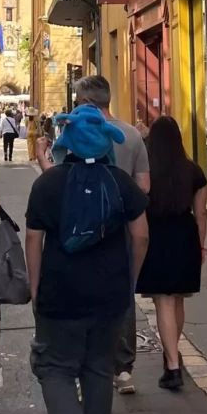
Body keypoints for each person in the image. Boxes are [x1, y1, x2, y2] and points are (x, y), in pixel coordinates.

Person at [26, 105, 149, 414]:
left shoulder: (47, 185)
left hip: (59, 294)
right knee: (98, 370)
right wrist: (129, 280)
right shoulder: (119, 182)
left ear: (67, 143)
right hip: (110, 295)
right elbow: (142, 235)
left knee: (54, 367)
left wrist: (34, 289)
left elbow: (34, 242)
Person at [73, 75, 150, 396]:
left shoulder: (75, 134)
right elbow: (145, 186)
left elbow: (65, 184)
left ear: (86, 102)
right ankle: (123, 370)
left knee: (81, 301)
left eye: (77, 101)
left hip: (80, 233)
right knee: (122, 299)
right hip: (122, 232)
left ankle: (84, 370)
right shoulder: (132, 135)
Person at [135, 115, 207, 392]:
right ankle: (171, 356)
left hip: (156, 236)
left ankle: (173, 365)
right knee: (177, 300)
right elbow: (201, 213)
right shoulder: (193, 171)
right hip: (185, 235)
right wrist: (200, 246)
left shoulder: (147, 171)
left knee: (163, 302)